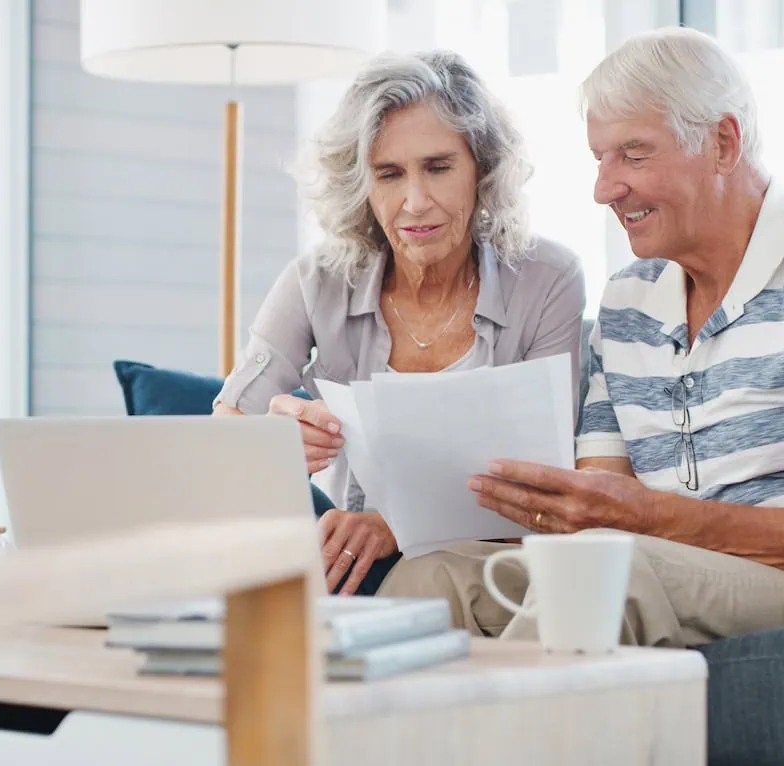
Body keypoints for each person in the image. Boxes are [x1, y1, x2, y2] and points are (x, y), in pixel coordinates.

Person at [375, 27, 784, 647]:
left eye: (634, 154)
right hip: (665, 568)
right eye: (601, 158)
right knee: (430, 578)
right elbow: (595, 505)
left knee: (606, 574)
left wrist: (651, 520)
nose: (605, 188)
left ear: (723, 142)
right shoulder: (628, 300)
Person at [214, 50, 586, 597]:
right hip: (344, 567)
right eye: (389, 174)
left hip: (490, 565)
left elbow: (547, 482)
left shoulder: (547, 278)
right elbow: (223, 437)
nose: (415, 202)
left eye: (438, 167)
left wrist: (394, 527)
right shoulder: (317, 279)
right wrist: (272, 447)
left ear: (481, 168)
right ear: (361, 185)